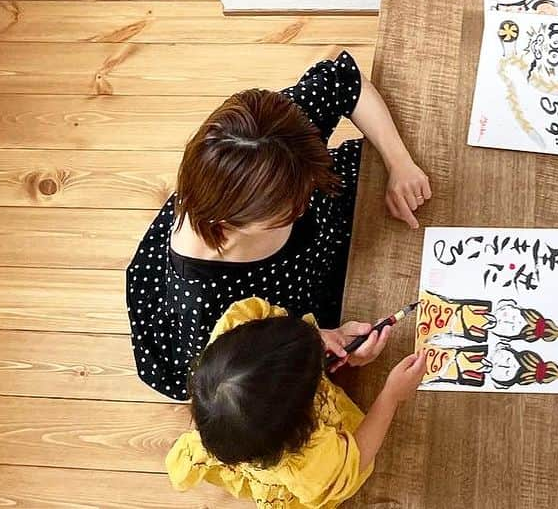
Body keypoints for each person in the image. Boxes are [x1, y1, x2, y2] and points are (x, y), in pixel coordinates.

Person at [126, 51, 431, 399]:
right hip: (273, 324)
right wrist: (319, 344)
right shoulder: (204, 303)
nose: (303, 208)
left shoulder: (271, 139)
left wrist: (399, 163)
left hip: (311, 254)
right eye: (286, 212)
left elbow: (345, 81)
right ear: (230, 224)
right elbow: (247, 380)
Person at [166, 296, 427, 507]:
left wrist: (321, 336)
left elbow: (266, 318)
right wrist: (391, 395)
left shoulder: (238, 331)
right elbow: (352, 462)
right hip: (317, 468)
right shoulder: (305, 459)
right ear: (306, 418)